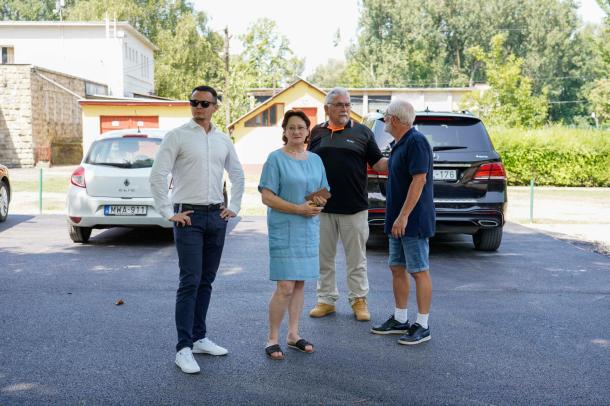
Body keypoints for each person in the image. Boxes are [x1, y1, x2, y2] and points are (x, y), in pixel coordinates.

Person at [149, 85, 245, 373]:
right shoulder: (177, 136)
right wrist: (168, 212)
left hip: (216, 216)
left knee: (206, 280)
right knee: (189, 281)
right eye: (194, 103)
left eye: (205, 103)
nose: (199, 107)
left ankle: (200, 337)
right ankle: (183, 348)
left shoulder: (223, 140)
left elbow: (237, 173)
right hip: (187, 216)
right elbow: (158, 175)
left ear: (215, 106)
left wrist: (235, 206)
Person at [307, 87, 387, 321]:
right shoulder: (317, 132)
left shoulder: (362, 132)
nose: (344, 109)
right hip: (323, 208)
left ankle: (359, 301)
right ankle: (326, 300)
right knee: (325, 259)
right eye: (339, 104)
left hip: (355, 208)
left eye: (347, 104)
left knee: (357, 259)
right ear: (327, 108)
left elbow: (379, 163)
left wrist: (403, 159)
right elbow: (309, 166)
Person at [259, 110, 329, 360]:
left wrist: (317, 204)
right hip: (285, 227)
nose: (297, 132)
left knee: (300, 283)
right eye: (292, 128)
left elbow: (323, 191)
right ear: (285, 132)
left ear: (308, 130)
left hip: (308, 229)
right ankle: (272, 337)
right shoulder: (275, 159)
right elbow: (267, 196)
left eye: (301, 127)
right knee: (285, 286)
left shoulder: (315, 160)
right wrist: (298, 208)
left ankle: (294, 334)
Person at [370, 100, 434, 345]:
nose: (384, 120)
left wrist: (404, 215)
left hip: (412, 220)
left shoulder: (416, 142)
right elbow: (385, 166)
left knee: (418, 271)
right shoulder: (399, 144)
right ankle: (400, 319)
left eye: (385, 116)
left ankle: (423, 325)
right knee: (397, 267)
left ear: (395, 119)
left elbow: (419, 181)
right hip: (397, 219)